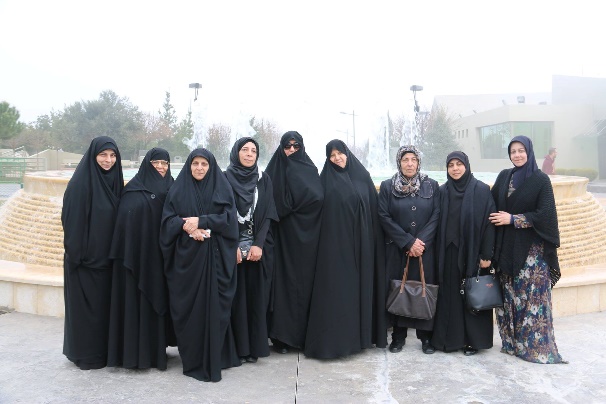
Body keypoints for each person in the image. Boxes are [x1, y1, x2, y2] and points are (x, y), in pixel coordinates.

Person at [160, 148, 241, 381]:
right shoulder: (177, 189)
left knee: (216, 310)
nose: (199, 168)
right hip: (187, 265)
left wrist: (202, 221)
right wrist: (186, 227)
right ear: (189, 165)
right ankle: (194, 358)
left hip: (215, 263)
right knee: (189, 311)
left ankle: (216, 356)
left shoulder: (222, 187)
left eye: (204, 164)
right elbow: (167, 221)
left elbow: (229, 221)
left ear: (211, 166)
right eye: (195, 163)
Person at [304, 140, 387, 359]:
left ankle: (363, 337)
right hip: (335, 249)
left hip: (364, 247)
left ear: (347, 154)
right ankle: (339, 342)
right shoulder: (325, 181)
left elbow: (375, 211)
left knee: (361, 290)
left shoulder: (362, 177)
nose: (337, 158)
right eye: (332, 156)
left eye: (340, 153)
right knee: (339, 293)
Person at [489, 136, 566, 364]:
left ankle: (534, 348)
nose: (517, 155)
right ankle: (512, 344)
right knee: (510, 297)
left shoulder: (540, 180)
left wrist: (513, 219)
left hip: (532, 252)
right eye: (513, 151)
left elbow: (546, 216)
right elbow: (492, 205)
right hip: (506, 249)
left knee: (531, 299)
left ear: (529, 152)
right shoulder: (505, 176)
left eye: (521, 150)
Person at [107, 148, 175, 370]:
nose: (161, 167)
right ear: (147, 163)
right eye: (156, 162)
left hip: (163, 258)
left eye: (165, 162)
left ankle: (157, 351)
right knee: (139, 305)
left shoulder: (174, 187)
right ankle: (136, 354)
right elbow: (126, 223)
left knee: (159, 306)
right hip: (138, 260)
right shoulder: (134, 190)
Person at [62, 136, 124, 370]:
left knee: (103, 312)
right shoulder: (81, 184)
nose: (108, 161)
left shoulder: (114, 183)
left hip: (107, 262)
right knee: (86, 313)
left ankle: (104, 352)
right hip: (85, 263)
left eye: (112, 156)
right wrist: (80, 258)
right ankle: (86, 355)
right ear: (93, 156)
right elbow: (72, 223)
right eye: (103, 155)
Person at [430, 151, 496, 356]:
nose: (455, 168)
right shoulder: (442, 191)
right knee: (449, 296)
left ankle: (473, 341)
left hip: (472, 253)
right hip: (448, 253)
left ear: (466, 166)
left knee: (472, 295)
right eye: (451, 165)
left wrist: (486, 255)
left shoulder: (482, 191)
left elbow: (489, 224)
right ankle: (447, 340)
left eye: (459, 164)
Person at [265, 131, 324, 353]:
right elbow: (271, 204)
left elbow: (319, 199)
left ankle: (305, 335)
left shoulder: (311, 170)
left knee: (307, 286)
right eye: (287, 147)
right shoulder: (273, 171)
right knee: (284, 286)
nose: (291, 151)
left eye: (295, 146)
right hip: (284, 239)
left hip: (310, 239)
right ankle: (282, 337)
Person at [378, 145, 440, 354]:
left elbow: (436, 216)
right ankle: (398, 336)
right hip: (398, 249)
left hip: (424, 249)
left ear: (419, 162)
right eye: (405, 160)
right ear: (399, 162)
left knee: (424, 289)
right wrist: (407, 242)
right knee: (400, 289)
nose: (410, 163)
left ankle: (425, 337)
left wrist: (420, 242)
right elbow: (384, 217)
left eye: (413, 159)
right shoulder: (388, 187)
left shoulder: (431, 186)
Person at [225, 137, 278, 364]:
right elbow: (221, 214)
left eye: (253, 151)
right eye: (244, 150)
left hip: (257, 250)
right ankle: (237, 348)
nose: (249, 154)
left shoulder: (263, 179)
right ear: (236, 152)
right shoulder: (224, 179)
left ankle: (253, 348)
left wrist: (258, 244)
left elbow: (267, 215)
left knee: (256, 298)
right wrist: (232, 246)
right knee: (235, 299)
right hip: (232, 250)